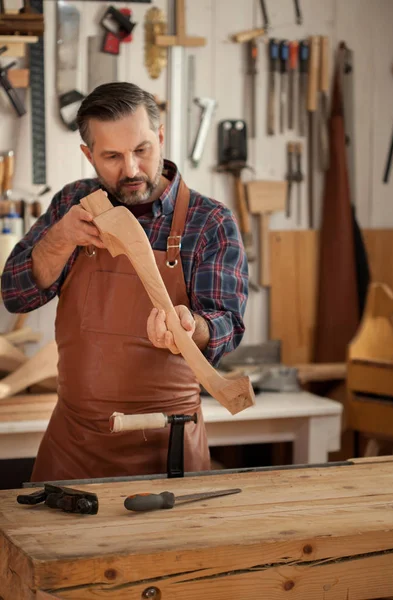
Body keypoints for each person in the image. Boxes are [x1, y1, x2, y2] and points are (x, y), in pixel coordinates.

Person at [1, 82, 248, 481]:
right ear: (89, 155)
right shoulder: (73, 205)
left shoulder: (210, 221)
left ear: (161, 137)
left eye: (142, 150)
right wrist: (61, 237)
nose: (131, 170)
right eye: (112, 156)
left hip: (171, 442)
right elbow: (15, 294)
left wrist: (192, 326)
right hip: (76, 443)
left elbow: (227, 325)